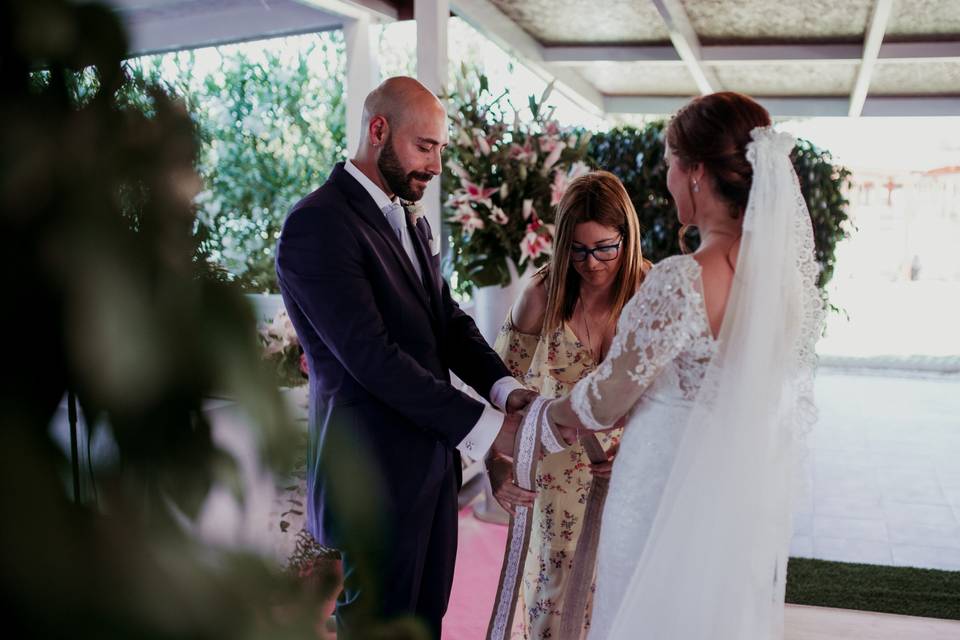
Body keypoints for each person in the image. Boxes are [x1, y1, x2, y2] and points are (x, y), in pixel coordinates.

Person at [517, 92, 823, 639]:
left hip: (657, 490)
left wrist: (549, 413)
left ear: (697, 172)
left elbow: (606, 397)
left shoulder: (682, 280)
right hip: (731, 495)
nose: (667, 181)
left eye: (669, 166)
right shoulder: (785, 287)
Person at [275, 76, 536, 639]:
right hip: (370, 479)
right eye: (426, 147)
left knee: (423, 627)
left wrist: (504, 389)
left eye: (441, 148)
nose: (437, 164)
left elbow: (448, 325)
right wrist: (493, 431)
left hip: (430, 472)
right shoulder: (317, 224)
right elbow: (373, 359)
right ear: (378, 130)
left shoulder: (408, 220)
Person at [488, 171, 649, 638]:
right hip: (555, 485)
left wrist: (638, 448)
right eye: (578, 250)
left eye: (605, 248)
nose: (592, 263)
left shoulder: (652, 293)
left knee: (621, 607)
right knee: (550, 608)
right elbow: (499, 391)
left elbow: (675, 395)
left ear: (628, 236)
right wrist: (498, 469)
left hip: (630, 477)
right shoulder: (542, 295)